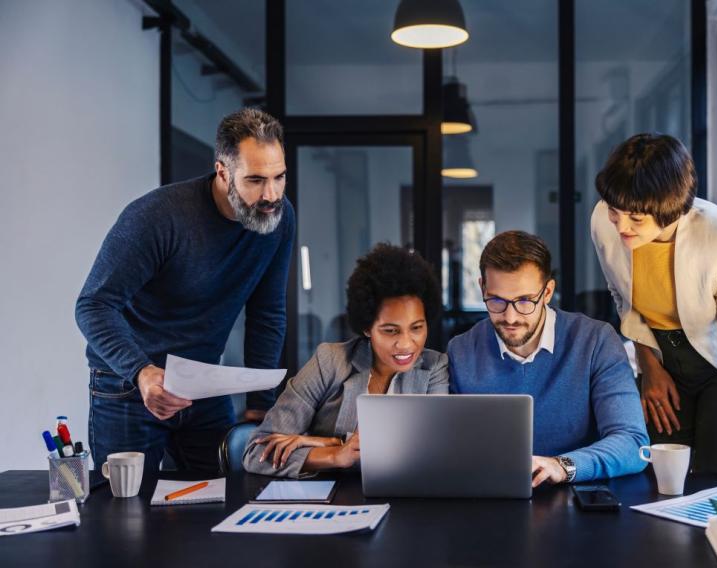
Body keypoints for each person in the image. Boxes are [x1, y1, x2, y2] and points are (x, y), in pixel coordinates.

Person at [76, 108, 294, 474]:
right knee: (128, 516)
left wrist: (260, 403)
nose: (270, 194)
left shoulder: (278, 217)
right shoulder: (157, 218)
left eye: (279, 177)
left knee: (222, 500)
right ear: (223, 172)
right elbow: (93, 305)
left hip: (203, 385)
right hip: (129, 387)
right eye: (255, 180)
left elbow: (267, 312)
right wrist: (142, 372)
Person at [590, 133, 717, 490]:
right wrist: (650, 367)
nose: (621, 226)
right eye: (615, 211)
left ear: (672, 209)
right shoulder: (604, 220)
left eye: (636, 219)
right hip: (664, 354)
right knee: (658, 476)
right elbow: (623, 299)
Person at [448, 231, 648, 487]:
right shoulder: (461, 351)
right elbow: (450, 450)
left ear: (547, 292)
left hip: (577, 499)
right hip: (489, 499)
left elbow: (633, 443)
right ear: (482, 288)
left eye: (524, 301)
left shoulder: (596, 341)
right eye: (497, 300)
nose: (510, 318)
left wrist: (561, 466)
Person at [243, 243, 447, 477]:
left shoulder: (434, 368)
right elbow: (255, 453)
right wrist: (334, 456)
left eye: (417, 328)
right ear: (367, 328)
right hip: (332, 504)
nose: (406, 344)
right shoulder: (329, 362)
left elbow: (429, 454)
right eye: (391, 331)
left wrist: (323, 442)